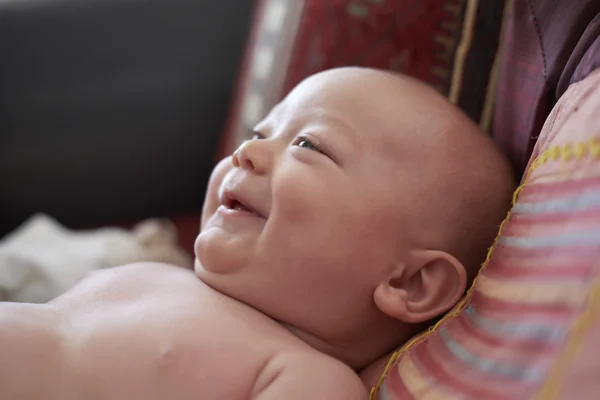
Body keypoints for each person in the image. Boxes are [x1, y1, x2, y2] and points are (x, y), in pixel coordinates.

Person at [0, 67, 514, 399]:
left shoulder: (304, 377)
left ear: (410, 283)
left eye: (310, 146)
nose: (246, 152)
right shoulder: (163, 273)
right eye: (260, 133)